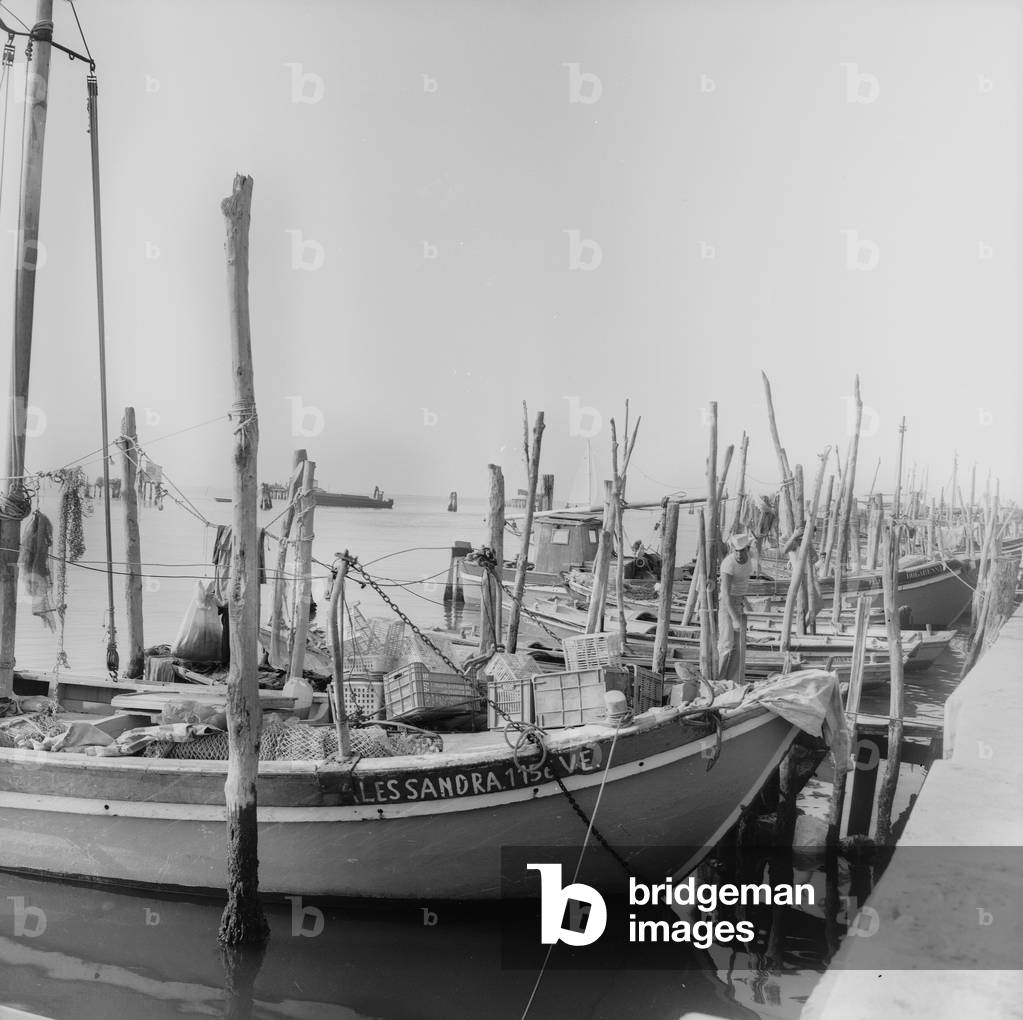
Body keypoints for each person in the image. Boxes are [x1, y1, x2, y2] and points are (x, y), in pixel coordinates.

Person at [717, 531, 754, 686]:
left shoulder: (751, 559)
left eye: (742, 550)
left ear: (748, 549)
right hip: (726, 604)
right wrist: (734, 619)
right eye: (736, 550)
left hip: (739, 602)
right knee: (726, 644)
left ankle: (732, 682)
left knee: (738, 647)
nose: (739, 554)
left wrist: (747, 605)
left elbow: (742, 584)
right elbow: (725, 594)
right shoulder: (728, 564)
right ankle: (718, 681)